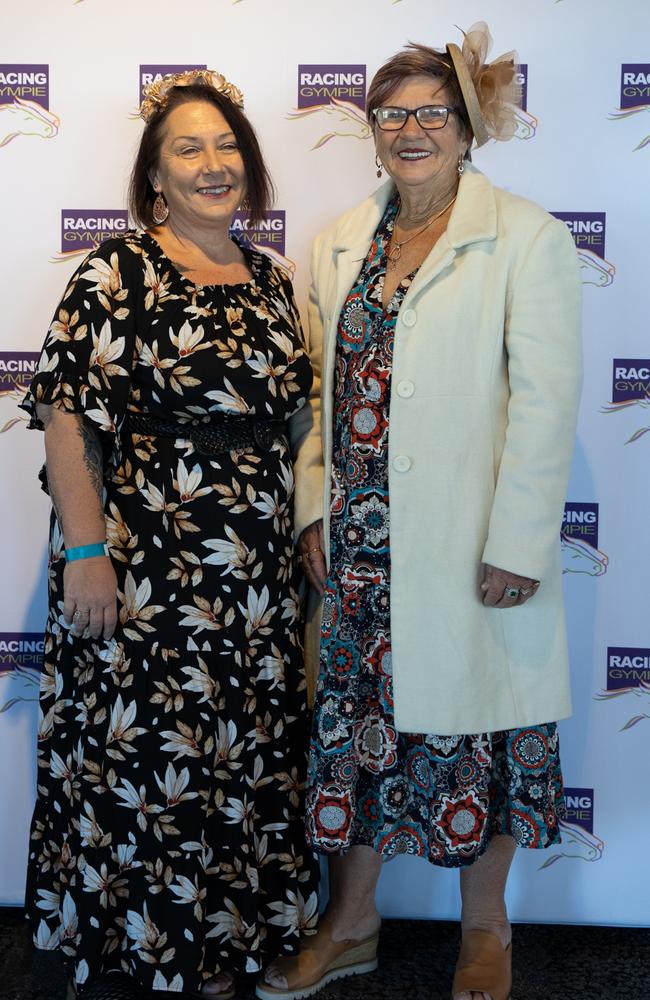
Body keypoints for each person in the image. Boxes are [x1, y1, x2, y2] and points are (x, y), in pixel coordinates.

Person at [258, 23, 582, 1000]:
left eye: (430, 111)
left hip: (469, 549)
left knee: (483, 733)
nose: (409, 129)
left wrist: (520, 540)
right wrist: (313, 508)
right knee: (354, 742)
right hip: (357, 555)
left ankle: (486, 933)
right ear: (369, 129)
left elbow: (544, 400)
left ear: (466, 126)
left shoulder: (525, 236)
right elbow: (313, 399)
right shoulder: (336, 244)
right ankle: (349, 923)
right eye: (390, 112)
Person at [21, 69, 319, 1000]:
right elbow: (68, 417)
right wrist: (84, 552)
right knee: (155, 759)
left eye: (227, 146)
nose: (213, 163)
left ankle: (227, 939)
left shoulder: (274, 279)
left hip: (257, 577)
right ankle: (158, 948)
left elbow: (299, 421)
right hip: (145, 572)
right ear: (155, 175)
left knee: (243, 754)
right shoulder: (116, 270)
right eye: (188, 149)